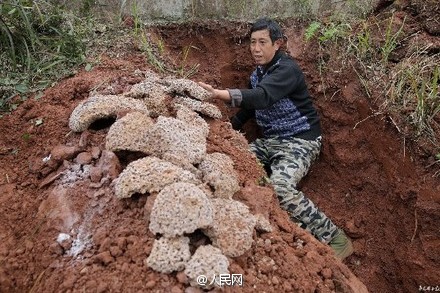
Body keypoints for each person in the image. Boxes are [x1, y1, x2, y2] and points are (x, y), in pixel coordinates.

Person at [199, 17, 353, 260]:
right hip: (270, 141)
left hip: (300, 141)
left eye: (262, 42)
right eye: (252, 42)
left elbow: (262, 98)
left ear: (277, 43)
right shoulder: (257, 74)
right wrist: (228, 129)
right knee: (231, 160)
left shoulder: (287, 70)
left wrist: (221, 94)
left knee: (280, 187)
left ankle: (335, 238)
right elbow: (252, 108)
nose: (256, 48)